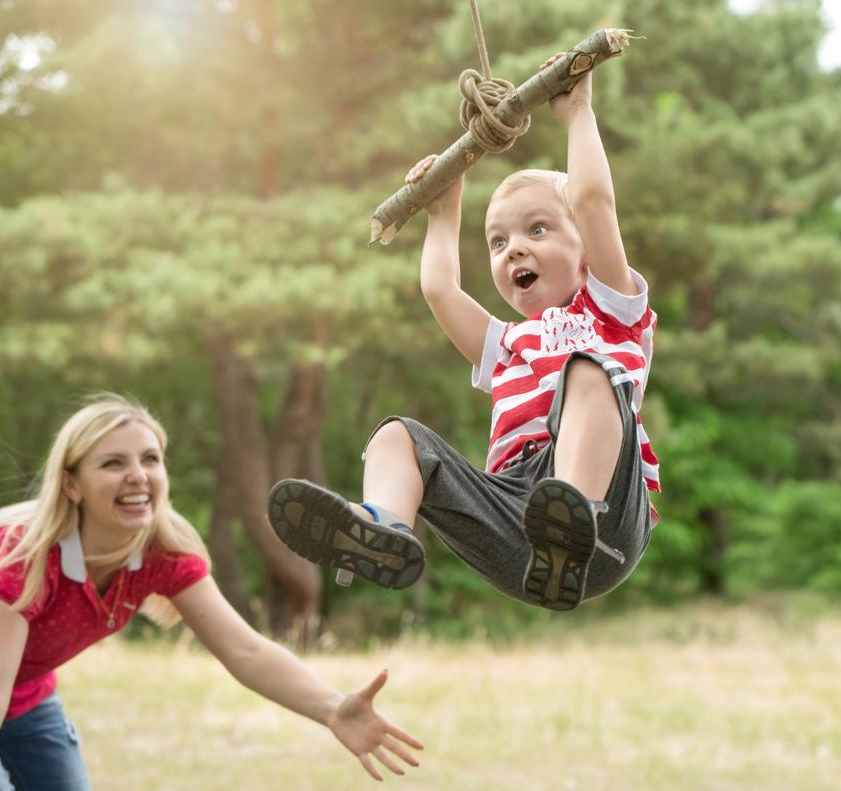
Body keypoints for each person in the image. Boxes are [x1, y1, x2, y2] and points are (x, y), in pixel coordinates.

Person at [268, 56, 660, 611]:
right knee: (397, 436)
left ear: (586, 246)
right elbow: (441, 291)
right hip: (518, 528)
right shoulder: (507, 349)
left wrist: (577, 113)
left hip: (607, 524)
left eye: (538, 228)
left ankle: (572, 514)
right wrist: (443, 212)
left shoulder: (611, 310)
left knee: (589, 368)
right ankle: (384, 527)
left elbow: (595, 200)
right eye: (498, 243)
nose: (515, 248)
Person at [0, 395, 422, 790]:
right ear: (71, 484)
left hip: (26, 694)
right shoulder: (23, 556)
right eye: (113, 463)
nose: (137, 475)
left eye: (150, 459)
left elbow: (245, 649)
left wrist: (333, 708)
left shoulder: (163, 553)